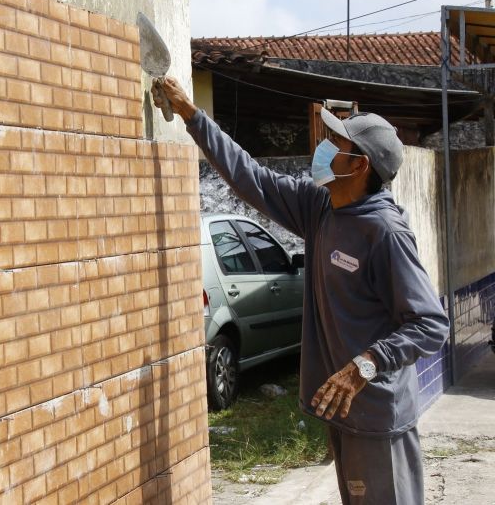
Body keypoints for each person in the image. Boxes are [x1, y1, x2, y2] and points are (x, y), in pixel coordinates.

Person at [153, 77, 449, 504]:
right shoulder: (321, 208)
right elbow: (249, 177)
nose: (323, 147)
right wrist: (191, 115)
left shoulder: (384, 232)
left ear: (359, 165)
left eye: (336, 143)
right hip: (343, 410)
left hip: (377, 414)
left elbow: (430, 323)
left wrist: (363, 367)